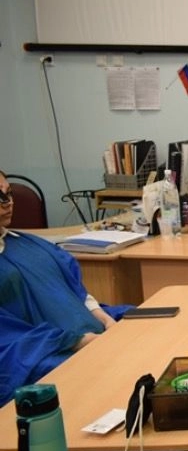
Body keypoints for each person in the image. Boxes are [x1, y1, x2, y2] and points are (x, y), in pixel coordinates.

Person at [0, 170, 132, 406]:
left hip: (82, 328)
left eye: (9, 194)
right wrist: (79, 341)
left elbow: (75, 290)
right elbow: (9, 335)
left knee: (143, 320)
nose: (8, 203)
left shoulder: (30, 244)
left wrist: (105, 321)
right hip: (33, 350)